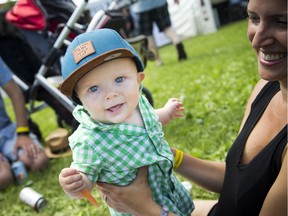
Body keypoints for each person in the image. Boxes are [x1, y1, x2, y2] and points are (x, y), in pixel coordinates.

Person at [96, 0, 287, 215]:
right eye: (253, 18)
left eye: (282, 22)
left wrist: (147, 209)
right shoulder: (267, 87)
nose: (257, 39)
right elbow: (238, 181)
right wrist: (168, 155)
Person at [58, 29, 194, 215]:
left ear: (139, 80)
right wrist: (77, 183)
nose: (111, 94)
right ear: (80, 100)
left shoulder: (137, 104)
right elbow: (86, 178)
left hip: (166, 188)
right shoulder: (89, 140)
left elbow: (150, 119)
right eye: (94, 88)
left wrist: (167, 113)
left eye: (119, 79)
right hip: (134, 209)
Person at [0, 59, 49, 190]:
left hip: (6, 132)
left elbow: (16, 94)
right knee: (3, 178)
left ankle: (11, 161)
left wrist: (22, 134)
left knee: (38, 161)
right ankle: (9, 164)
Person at [131, 0, 187, 66]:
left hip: (141, 7)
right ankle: (177, 42)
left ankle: (159, 61)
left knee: (148, 35)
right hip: (160, 3)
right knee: (167, 28)